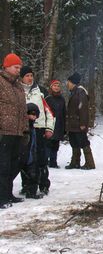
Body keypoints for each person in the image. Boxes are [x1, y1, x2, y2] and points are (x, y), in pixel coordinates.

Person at [20, 66, 55, 195]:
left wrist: (49, 128)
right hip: (24, 129)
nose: (29, 78)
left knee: (41, 158)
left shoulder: (41, 91)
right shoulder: (18, 91)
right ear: (22, 77)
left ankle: (44, 184)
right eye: (27, 76)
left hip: (39, 129)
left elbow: (50, 112)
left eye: (31, 75)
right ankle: (27, 185)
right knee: (26, 159)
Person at [0, 53, 27, 209]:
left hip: (17, 132)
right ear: (7, 66)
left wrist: (25, 130)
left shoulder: (18, 86)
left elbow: (22, 110)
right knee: (3, 166)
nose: (18, 70)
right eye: (16, 67)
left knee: (13, 165)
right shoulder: (1, 82)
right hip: (4, 132)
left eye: (19, 67)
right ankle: (1, 197)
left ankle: (8, 194)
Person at [65, 72, 95, 170]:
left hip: (78, 124)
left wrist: (83, 123)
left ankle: (90, 163)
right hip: (73, 124)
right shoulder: (74, 92)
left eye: (68, 82)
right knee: (74, 142)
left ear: (73, 82)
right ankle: (75, 162)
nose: (67, 84)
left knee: (83, 142)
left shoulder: (80, 92)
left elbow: (83, 109)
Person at [19, 103, 43, 199]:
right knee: (29, 173)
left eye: (35, 115)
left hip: (31, 154)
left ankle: (30, 190)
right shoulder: (25, 126)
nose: (33, 116)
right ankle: (28, 190)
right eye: (31, 114)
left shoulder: (32, 127)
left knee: (32, 173)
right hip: (25, 154)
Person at [45, 79, 66, 168]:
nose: (56, 87)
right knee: (47, 144)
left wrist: (64, 126)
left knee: (55, 144)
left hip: (59, 124)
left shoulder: (62, 99)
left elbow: (64, 113)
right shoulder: (48, 98)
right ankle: (45, 161)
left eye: (58, 86)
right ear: (51, 87)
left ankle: (53, 162)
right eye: (54, 86)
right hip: (49, 124)